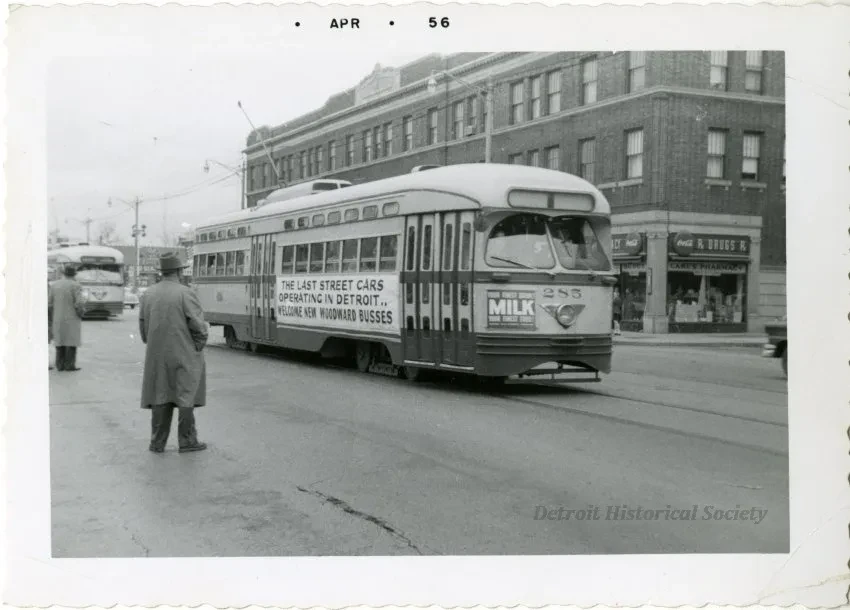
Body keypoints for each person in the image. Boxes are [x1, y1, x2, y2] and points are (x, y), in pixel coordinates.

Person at [139, 252, 209, 454]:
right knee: (185, 394)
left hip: (156, 353)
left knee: (161, 393)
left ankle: (157, 442)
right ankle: (187, 441)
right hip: (184, 350)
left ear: (162, 271)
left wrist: (152, 342)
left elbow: (143, 327)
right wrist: (198, 345)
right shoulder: (185, 293)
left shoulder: (148, 293)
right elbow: (198, 326)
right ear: (179, 271)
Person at [49, 266, 85, 371]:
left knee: (59, 341)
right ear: (74, 275)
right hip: (72, 318)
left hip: (57, 318)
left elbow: (49, 303)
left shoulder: (54, 285)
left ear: (64, 274)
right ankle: (69, 365)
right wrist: (81, 313)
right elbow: (79, 303)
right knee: (71, 342)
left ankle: (59, 365)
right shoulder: (76, 286)